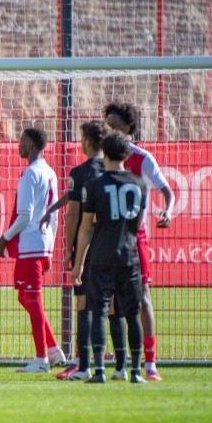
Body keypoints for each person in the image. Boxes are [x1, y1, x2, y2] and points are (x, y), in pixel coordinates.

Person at [71, 132, 149, 384]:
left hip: (102, 256)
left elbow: (86, 228)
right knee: (132, 314)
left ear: (104, 152)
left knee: (99, 312)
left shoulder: (94, 186)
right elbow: (137, 225)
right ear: (127, 154)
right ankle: (135, 372)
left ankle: (100, 371)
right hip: (129, 257)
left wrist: (78, 263)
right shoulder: (140, 185)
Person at [103, 102, 174, 381]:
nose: (110, 130)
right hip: (108, 238)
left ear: (129, 128)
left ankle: (150, 363)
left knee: (142, 298)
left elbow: (167, 190)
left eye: (115, 126)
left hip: (134, 238)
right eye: (107, 125)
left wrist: (168, 210)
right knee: (110, 301)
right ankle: (118, 362)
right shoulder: (103, 158)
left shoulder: (142, 158)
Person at [40, 120, 107, 381]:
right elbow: (73, 196)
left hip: (87, 245)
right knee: (109, 306)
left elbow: (74, 212)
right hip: (112, 244)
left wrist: (69, 249)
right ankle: (122, 364)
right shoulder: (114, 169)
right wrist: (52, 208)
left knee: (84, 303)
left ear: (87, 142)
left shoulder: (80, 172)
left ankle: (82, 363)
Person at [0, 127, 65, 373]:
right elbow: (54, 216)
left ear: (32, 146)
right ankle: (53, 350)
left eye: (22, 142)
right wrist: (50, 246)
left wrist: (4, 238)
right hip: (41, 244)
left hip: (31, 245)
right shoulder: (50, 172)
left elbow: (24, 215)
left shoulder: (30, 174)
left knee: (33, 299)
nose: (19, 146)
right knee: (25, 297)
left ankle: (41, 359)